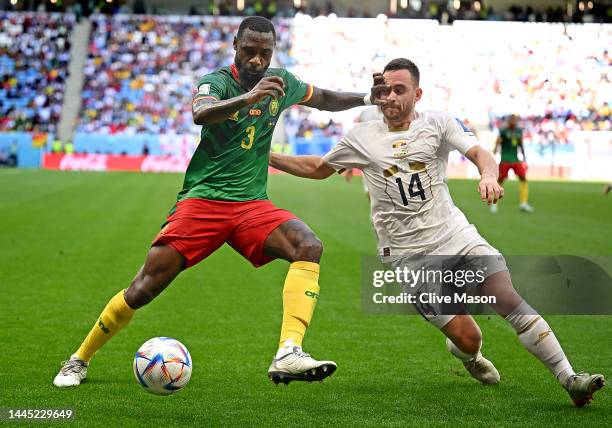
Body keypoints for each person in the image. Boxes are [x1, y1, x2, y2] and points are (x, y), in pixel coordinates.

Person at [54, 16, 376, 388]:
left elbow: (325, 99)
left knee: (308, 246)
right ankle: (79, 359)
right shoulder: (217, 82)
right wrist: (247, 98)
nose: (257, 60)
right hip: (204, 202)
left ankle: (289, 351)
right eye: (250, 51)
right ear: (235, 46)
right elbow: (201, 112)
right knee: (143, 288)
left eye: (265, 53)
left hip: (251, 204)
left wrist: (367, 98)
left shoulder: (283, 82)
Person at [269, 58, 605, 407]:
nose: (390, 98)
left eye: (400, 90)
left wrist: (488, 175)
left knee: (507, 298)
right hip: (408, 257)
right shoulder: (362, 137)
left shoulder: (439, 123)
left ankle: (570, 378)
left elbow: (478, 153)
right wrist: (268, 157)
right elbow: (320, 168)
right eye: (385, 90)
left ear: (418, 93)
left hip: (455, 235)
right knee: (469, 339)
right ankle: (470, 358)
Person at [490, 114, 534, 213]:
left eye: (515, 120)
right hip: (505, 159)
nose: (514, 121)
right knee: (500, 181)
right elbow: (497, 143)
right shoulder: (503, 131)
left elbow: (521, 145)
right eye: (512, 119)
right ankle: (494, 203)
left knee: (523, 178)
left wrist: (524, 159)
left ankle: (523, 203)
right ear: (509, 120)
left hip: (515, 159)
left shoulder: (519, 131)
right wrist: (494, 155)